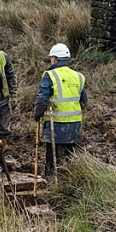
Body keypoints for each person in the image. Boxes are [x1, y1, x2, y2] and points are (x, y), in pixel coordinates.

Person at [33, 42, 87, 176]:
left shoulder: (49, 75)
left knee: (52, 157)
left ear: (54, 59)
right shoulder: (79, 76)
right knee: (71, 157)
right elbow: (84, 101)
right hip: (75, 124)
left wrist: (37, 114)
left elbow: (42, 100)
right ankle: (72, 181)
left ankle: (51, 181)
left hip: (55, 124)